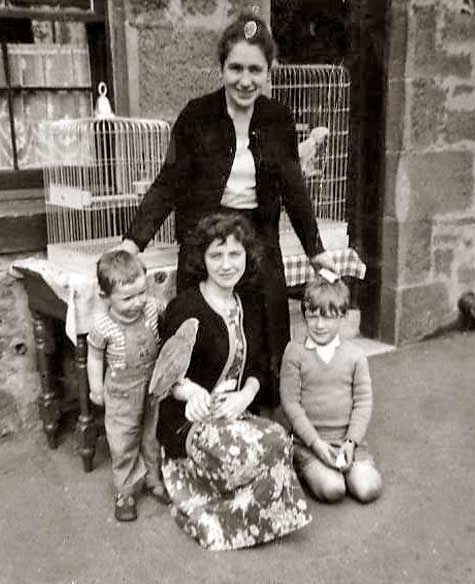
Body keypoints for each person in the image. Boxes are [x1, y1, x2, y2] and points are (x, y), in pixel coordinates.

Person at [119, 13, 336, 407]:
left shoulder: (278, 119)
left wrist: (316, 250)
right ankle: (200, 415)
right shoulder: (196, 116)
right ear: (221, 68)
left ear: (269, 72)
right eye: (235, 68)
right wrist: (133, 242)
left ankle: (263, 410)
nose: (245, 80)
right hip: (207, 237)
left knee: (265, 324)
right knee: (203, 325)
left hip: (258, 239)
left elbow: (293, 189)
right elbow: (169, 182)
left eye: (256, 69)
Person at [157, 213, 311, 551]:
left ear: (247, 257)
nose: (226, 265)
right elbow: (165, 379)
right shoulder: (185, 308)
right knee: (243, 456)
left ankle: (252, 507)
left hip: (233, 412)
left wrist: (246, 395)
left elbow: (258, 366)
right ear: (202, 259)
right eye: (216, 255)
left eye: (234, 254)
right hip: (191, 419)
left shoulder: (249, 304)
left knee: (277, 439)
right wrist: (191, 391)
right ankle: (216, 510)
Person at [279, 276, 382, 504]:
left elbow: (363, 402)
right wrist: (315, 443)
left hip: (346, 441)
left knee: (368, 489)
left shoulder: (355, 355)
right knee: (333, 489)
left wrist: (351, 442)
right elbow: (291, 403)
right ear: (304, 313)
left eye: (327, 316)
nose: (319, 325)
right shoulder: (294, 352)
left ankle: (349, 463)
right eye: (312, 315)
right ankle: (302, 463)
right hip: (309, 443)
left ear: (342, 316)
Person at [86, 250, 169, 522]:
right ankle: (125, 489)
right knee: (123, 439)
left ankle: (154, 478)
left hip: (153, 385)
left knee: (153, 433)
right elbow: (95, 357)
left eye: (141, 292)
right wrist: (95, 387)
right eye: (127, 298)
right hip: (121, 393)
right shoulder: (102, 326)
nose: (137, 302)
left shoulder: (151, 308)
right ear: (105, 296)